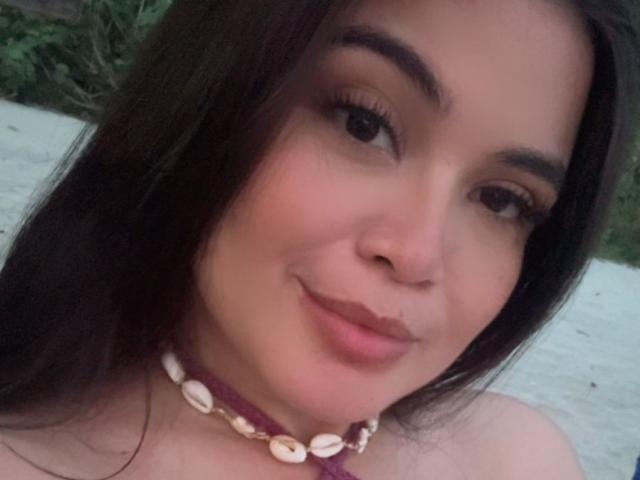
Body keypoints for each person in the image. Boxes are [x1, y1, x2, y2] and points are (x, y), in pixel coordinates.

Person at [0, 0, 638, 479]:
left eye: (502, 200)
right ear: (208, 93)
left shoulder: (519, 459)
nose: (416, 254)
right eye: (362, 124)